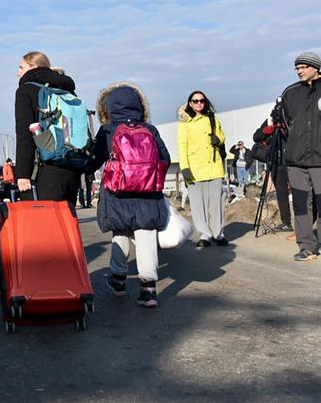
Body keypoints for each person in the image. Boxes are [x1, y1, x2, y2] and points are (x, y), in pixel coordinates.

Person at [88, 82, 170, 308]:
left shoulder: (108, 130)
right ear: (138, 105)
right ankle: (148, 290)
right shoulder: (150, 129)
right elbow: (165, 159)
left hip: (117, 193)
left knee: (121, 233)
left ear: (109, 107)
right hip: (147, 194)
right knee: (146, 235)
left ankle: (118, 280)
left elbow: (94, 160)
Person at [14, 51, 79, 201]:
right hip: (71, 167)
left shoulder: (26, 90)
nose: (18, 73)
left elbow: (24, 134)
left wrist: (23, 173)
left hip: (43, 170)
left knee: (39, 215)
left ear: (34, 67)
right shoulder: (65, 88)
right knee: (66, 215)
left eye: (21, 67)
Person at [280, 51, 321, 261]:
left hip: (320, 160)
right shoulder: (290, 93)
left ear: (316, 67)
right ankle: (307, 247)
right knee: (301, 205)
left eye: (304, 67)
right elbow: (286, 122)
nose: (299, 71)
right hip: (296, 161)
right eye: (297, 68)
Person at [178, 90, 228, 248]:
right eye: (195, 101)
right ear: (190, 103)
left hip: (214, 166)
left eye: (201, 100)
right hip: (194, 169)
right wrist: (185, 168)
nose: (199, 103)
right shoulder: (185, 124)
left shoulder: (213, 119)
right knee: (197, 205)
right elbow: (182, 147)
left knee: (217, 203)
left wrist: (218, 139)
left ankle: (218, 233)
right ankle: (204, 234)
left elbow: (222, 136)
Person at [253, 114, 292, 232]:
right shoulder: (271, 120)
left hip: (292, 161)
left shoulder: (291, 119)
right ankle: (286, 222)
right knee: (281, 194)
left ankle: (305, 224)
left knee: (299, 193)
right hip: (276, 162)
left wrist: (286, 128)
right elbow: (256, 137)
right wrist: (267, 130)